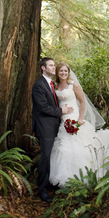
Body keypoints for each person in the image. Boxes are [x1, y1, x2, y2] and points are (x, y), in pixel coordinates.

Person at [48, 63, 109, 188]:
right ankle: (66, 177)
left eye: (65, 71)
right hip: (63, 121)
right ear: (57, 73)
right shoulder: (55, 86)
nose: (63, 73)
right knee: (64, 147)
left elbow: (82, 102)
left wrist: (80, 118)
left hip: (75, 119)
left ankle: (83, 176)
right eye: (61, 71)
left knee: (80, 146)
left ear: (68, 72)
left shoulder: (73, 85)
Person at [32, 57, 73, 203]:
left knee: (56, 154)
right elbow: (43, 107)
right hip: (45, 127)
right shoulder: (39, 85)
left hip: (56, 126)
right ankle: (42, 189)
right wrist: (61, 110)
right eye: (50, 65)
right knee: (46, 157)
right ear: (43, 68)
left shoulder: (51, 84)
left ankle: (54, 182)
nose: (53, 67)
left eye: (54, 65)